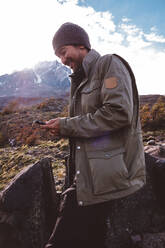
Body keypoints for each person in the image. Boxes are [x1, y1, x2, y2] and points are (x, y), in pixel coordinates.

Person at [42, 22, 146, 248]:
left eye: (63, 52)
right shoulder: (80, 79)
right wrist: (60, 128)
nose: (62, 60)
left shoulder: (108, 64)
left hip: (107, 175)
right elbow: (88, 126)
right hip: (89, 174)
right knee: (91, 238)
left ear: (80, 45)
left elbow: (118, 114)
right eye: (58, 56)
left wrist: (67, 125)